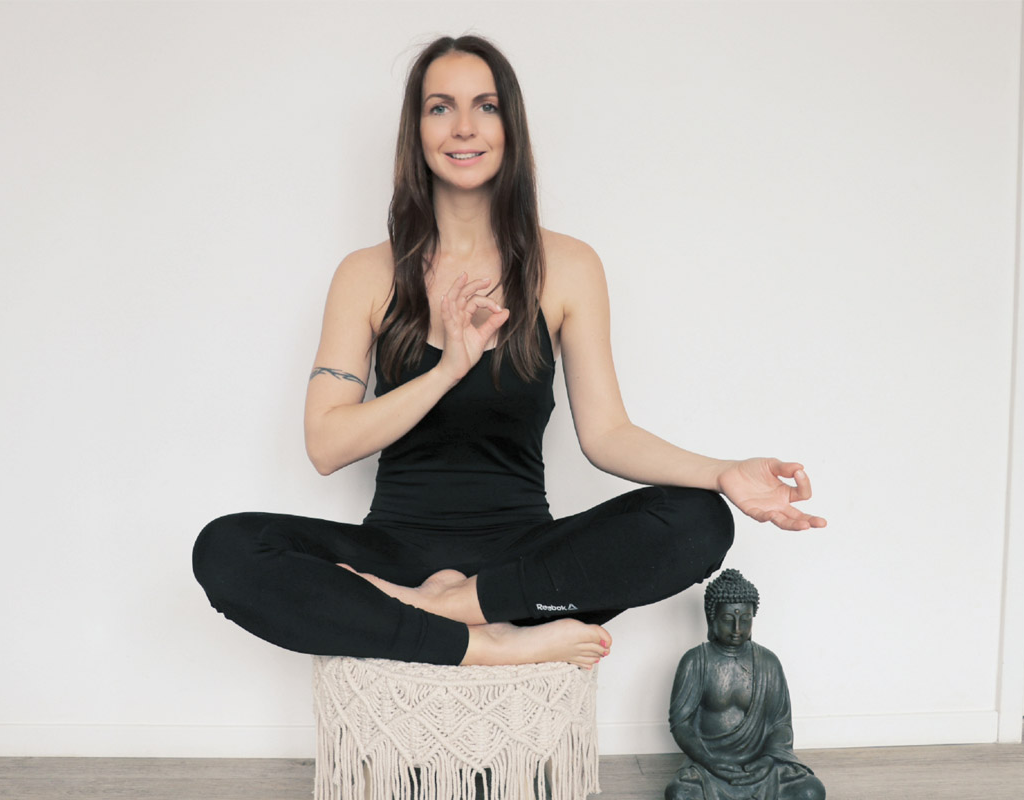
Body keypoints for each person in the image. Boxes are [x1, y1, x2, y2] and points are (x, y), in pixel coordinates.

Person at [192, 35, 825, 671]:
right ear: (416, 130)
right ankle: (484, 642)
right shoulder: (366, 274)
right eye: (441, 107)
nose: (464, 127)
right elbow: (326, 446)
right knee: (225, 548)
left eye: (486, 106)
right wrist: (447, 370)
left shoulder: (569, 267)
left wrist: (722, 472)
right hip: (395, 549)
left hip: (524, 566)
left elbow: (608, 435)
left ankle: (442, 610)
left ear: (510, 126)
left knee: (699, 519)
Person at [666, 570, 825, 800]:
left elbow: (781, 724)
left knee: (810, 791)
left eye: (745, 619)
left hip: (761, 765)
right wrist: (709, 760)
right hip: (710, 765)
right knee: (680, 794)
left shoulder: (768, 662)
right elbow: (681, 724)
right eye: (727, 619)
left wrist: (768, 760)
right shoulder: (695, 662)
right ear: (711, 619)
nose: (737, 629)